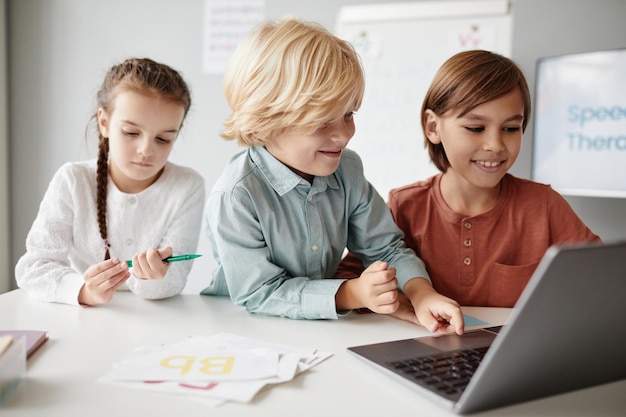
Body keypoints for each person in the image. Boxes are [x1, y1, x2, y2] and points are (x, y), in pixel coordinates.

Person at [201, 17, 464, 334]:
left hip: (321, 330)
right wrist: (350, 293)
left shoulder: (347, 170)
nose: (344, 134)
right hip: (245, 329)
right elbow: (259, 293)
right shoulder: (237, 196)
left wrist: (421, 294)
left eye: (348, 114)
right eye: (323, 120)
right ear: (262, 124)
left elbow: (386, 248)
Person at [336, 50, 601, 309]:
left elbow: (602, 277)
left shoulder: (544, 205)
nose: (495, 145)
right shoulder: (403, 206)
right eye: (476, 128)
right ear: (433, 127)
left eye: (510, 129)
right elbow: (349, 283)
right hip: (423, 348)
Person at [15, 57, 205, 306]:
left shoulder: (188, 186)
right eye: (131, 133)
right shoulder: (72, 180)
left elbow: (176, 278)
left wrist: (155, 277)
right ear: (104, 123)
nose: (146, 150)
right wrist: (83, 290)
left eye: (163, 139)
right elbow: (34, 267)